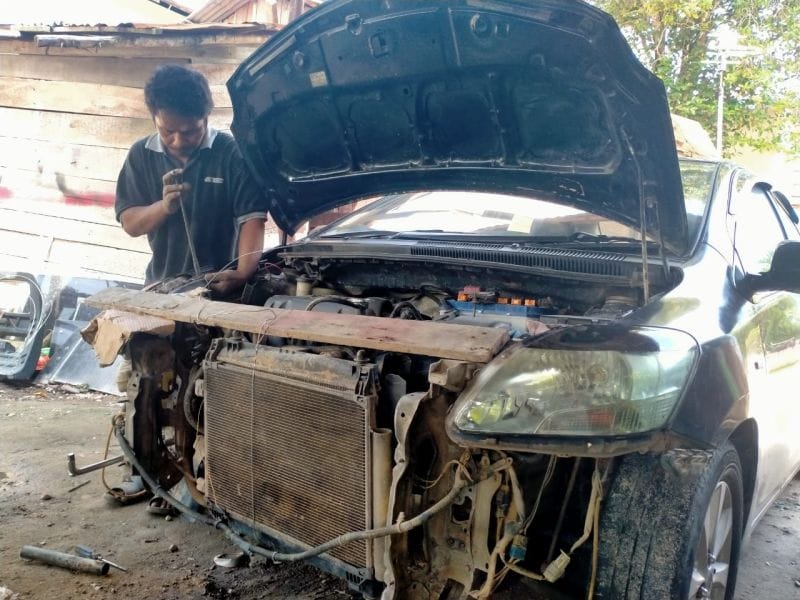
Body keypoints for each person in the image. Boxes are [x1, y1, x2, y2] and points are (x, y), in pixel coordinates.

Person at [115, 64, 267, 294]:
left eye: (190, 132)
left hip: (220, 287)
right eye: (167, 131)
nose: (178, 141)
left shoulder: (231, 154)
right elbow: (131, 225)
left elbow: (253, 220)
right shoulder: (141, 154)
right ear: (154, 118)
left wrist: (243, 273)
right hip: (161, 288)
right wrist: (164, 207)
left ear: (205, 118)